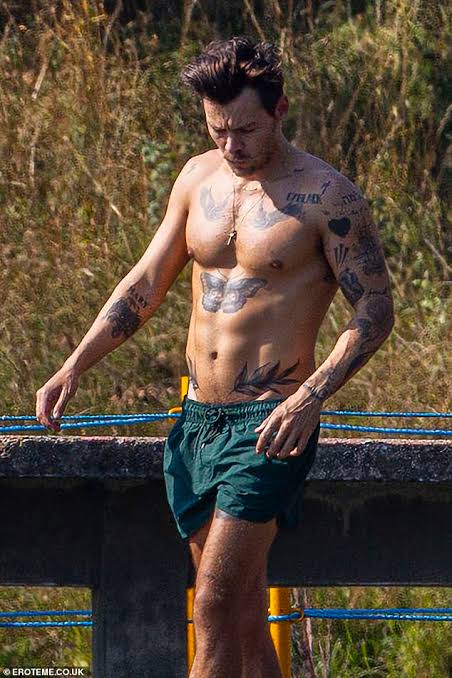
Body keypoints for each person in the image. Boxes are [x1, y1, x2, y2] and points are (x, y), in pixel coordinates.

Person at [36, 36, 394, 678]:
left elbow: (375, 308)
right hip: (198, 421)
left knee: (213, 608)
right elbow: (146, 284)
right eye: (218, 130)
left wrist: (311, 397)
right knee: (246, 622)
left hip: (269, 425)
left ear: (280, 111)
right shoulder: (197, 177)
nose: (232, 146)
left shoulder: (326, 196)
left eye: (246, 130)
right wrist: (74, 366)